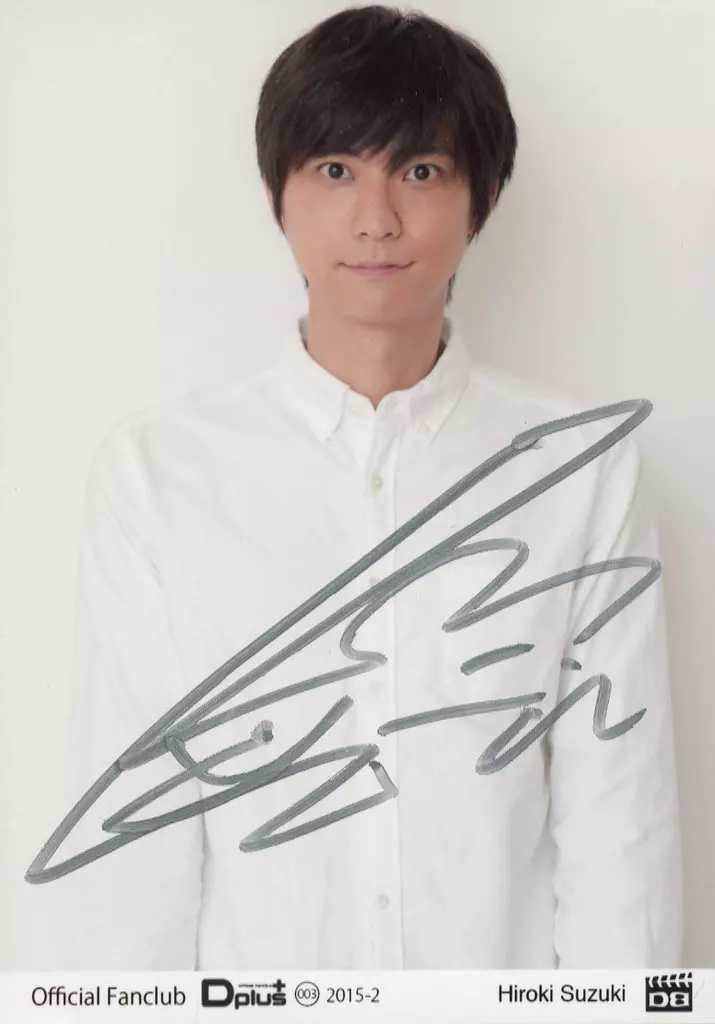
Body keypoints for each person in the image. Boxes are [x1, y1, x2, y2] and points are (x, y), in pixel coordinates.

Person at [42, 4, 681, 969]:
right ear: (277, 194)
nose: (376, 219)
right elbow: (132, 849)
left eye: (419, 171)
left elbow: (619, 824)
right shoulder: (161, 475)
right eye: (335, 170)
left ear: (481, 199)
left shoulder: (579, 471)